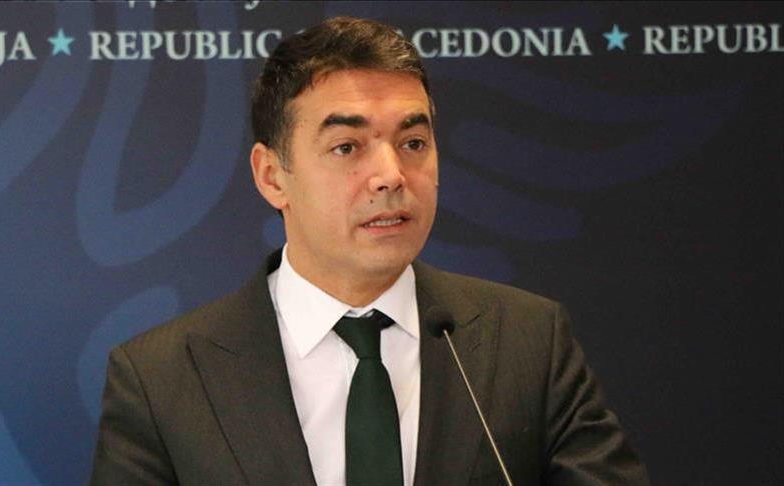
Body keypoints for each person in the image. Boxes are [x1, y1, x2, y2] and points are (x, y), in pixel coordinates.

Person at [90, 16, 650, 486]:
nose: (391, 174)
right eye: (346, 147)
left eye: (413, 142)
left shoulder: (528, 341)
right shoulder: (162, 378)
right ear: (272, 176)